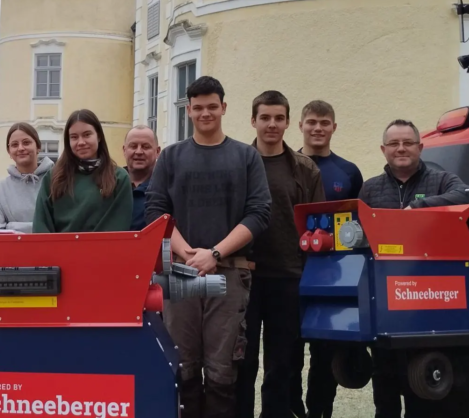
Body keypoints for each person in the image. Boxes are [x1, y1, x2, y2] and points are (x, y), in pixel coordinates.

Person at [145, 76, 271, 418]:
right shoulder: (171, 157)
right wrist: (188, 253)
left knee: (222, 372)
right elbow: (156, 211)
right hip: (180, 274)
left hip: (230, 273)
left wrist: (215, 253)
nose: (205, 113)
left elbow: (260, 213)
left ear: (224, 108)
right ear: (189, 110)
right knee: (182, 366)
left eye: (212, 107)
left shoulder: (246, 157)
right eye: (198, 107)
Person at [359, 120, 469, 418]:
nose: (401, 148)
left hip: (427, 300)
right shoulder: (369, 189)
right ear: (383, 150)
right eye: (394, 144)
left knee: (423, 389)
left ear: (420, 147)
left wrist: (418, 209)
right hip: (385, 301)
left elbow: (464, 197)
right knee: (385, 383)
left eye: (408, 142)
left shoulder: (442, 180)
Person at [235, 91, 325, 418]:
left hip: (288, 277)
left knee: (282, 363)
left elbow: (317, 225)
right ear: (253, 121)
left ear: (288, 122)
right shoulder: (238, 162)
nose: (272, 124)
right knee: (241, 361)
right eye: (265, 118)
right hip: (244, 275)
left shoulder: (305, 169)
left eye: (278, 118)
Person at [292, 100, 364, 418]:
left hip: (334, 276)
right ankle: (290, 408)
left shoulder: (348, 172)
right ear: (301, 126)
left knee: (325, 350)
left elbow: (358, 226)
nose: (317, 128)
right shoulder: (285, 165)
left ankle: (320, 411)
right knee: (288, 350)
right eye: (311, 122)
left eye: (324, 122)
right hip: (291, 272)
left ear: (334, 127)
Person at [33, 109, 133, 233]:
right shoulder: (53, 177)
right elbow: (41, 225)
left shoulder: (118, 178)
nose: (81, 142)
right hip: (58, 252)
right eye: (74, 137)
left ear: (99, 136)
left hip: (103, 251)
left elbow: (118, 225)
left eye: (87, 135)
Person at [0, 122, 54, 233]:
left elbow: (62, 226)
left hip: (52, 249)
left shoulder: (57, 181)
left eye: (26, 142)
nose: (21, 148)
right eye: (14, 145)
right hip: (12, 250)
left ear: (38, 147)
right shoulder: (0, 190)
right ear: (9, 152)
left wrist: (12, 227)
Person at [122, 125, 160, 231]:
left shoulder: (167, 187)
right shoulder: (109, 185)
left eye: (146, 146)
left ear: (157, 151)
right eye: (133, 146)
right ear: (124, 150)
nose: (139, 152)